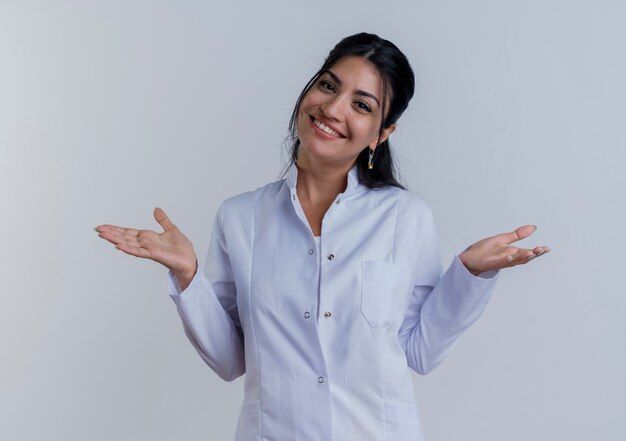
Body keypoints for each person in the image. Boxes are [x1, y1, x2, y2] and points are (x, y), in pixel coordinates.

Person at [95, 32, 549, 441]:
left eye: (362, 104)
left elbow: (420, 351)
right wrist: (189, 276)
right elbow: (231, 360)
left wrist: (469, 275)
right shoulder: (240, 217)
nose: (333, 110)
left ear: (381, 133)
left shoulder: (405, 217)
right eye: (329, 86)